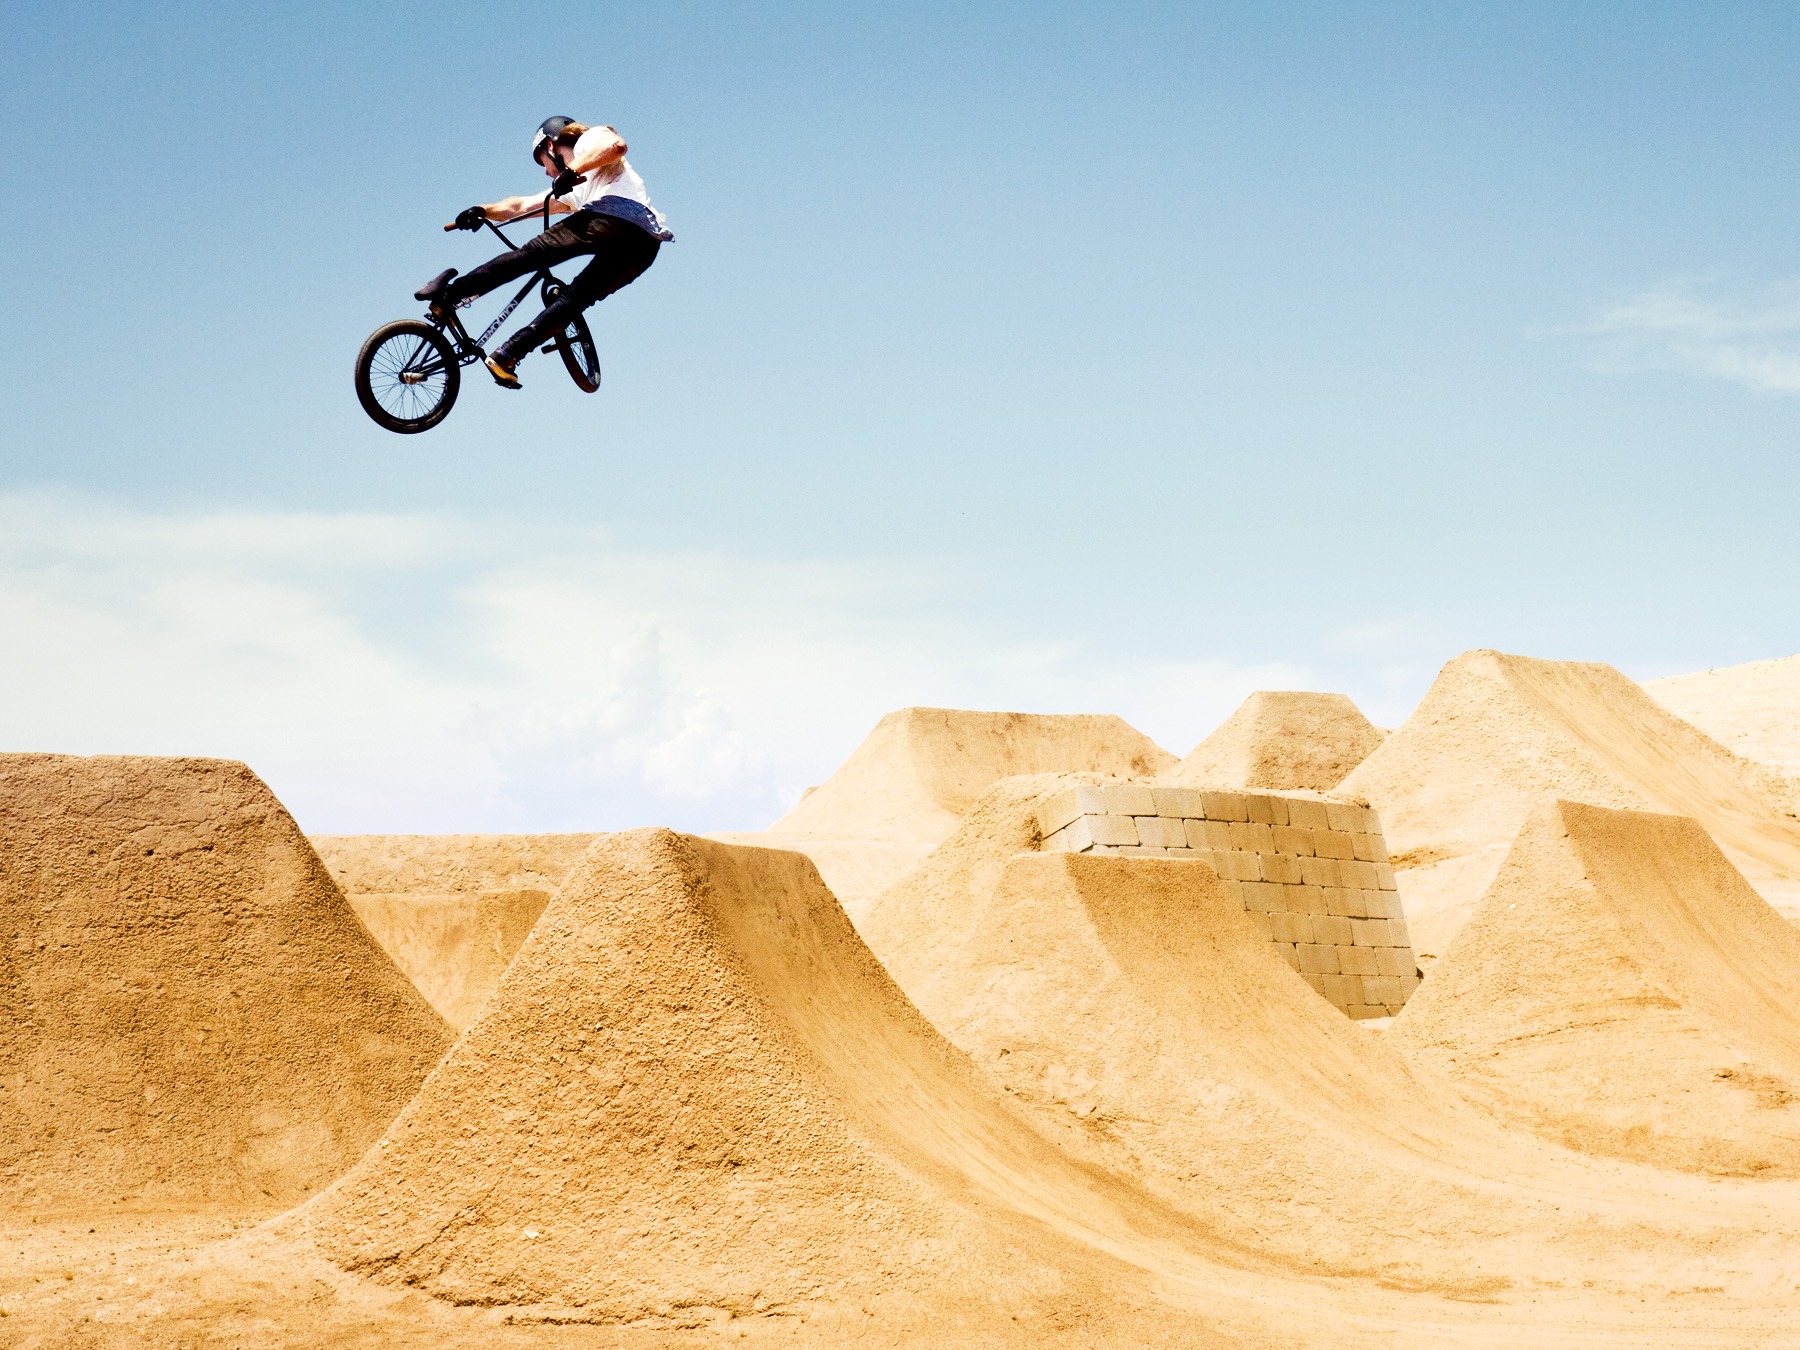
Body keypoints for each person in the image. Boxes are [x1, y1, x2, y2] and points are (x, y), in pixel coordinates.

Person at [417, 116, 673, 389]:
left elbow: (616, 146)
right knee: (575, 299)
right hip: (644, 245)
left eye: (543, 163)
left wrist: (571, 171)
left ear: (551, 146)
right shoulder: (578, 188)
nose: (547, 173)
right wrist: (482, 211)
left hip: (613, 216)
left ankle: (450, 296)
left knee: (531, 255)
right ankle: (507, 355)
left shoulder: (587, 141)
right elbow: (521, 206)